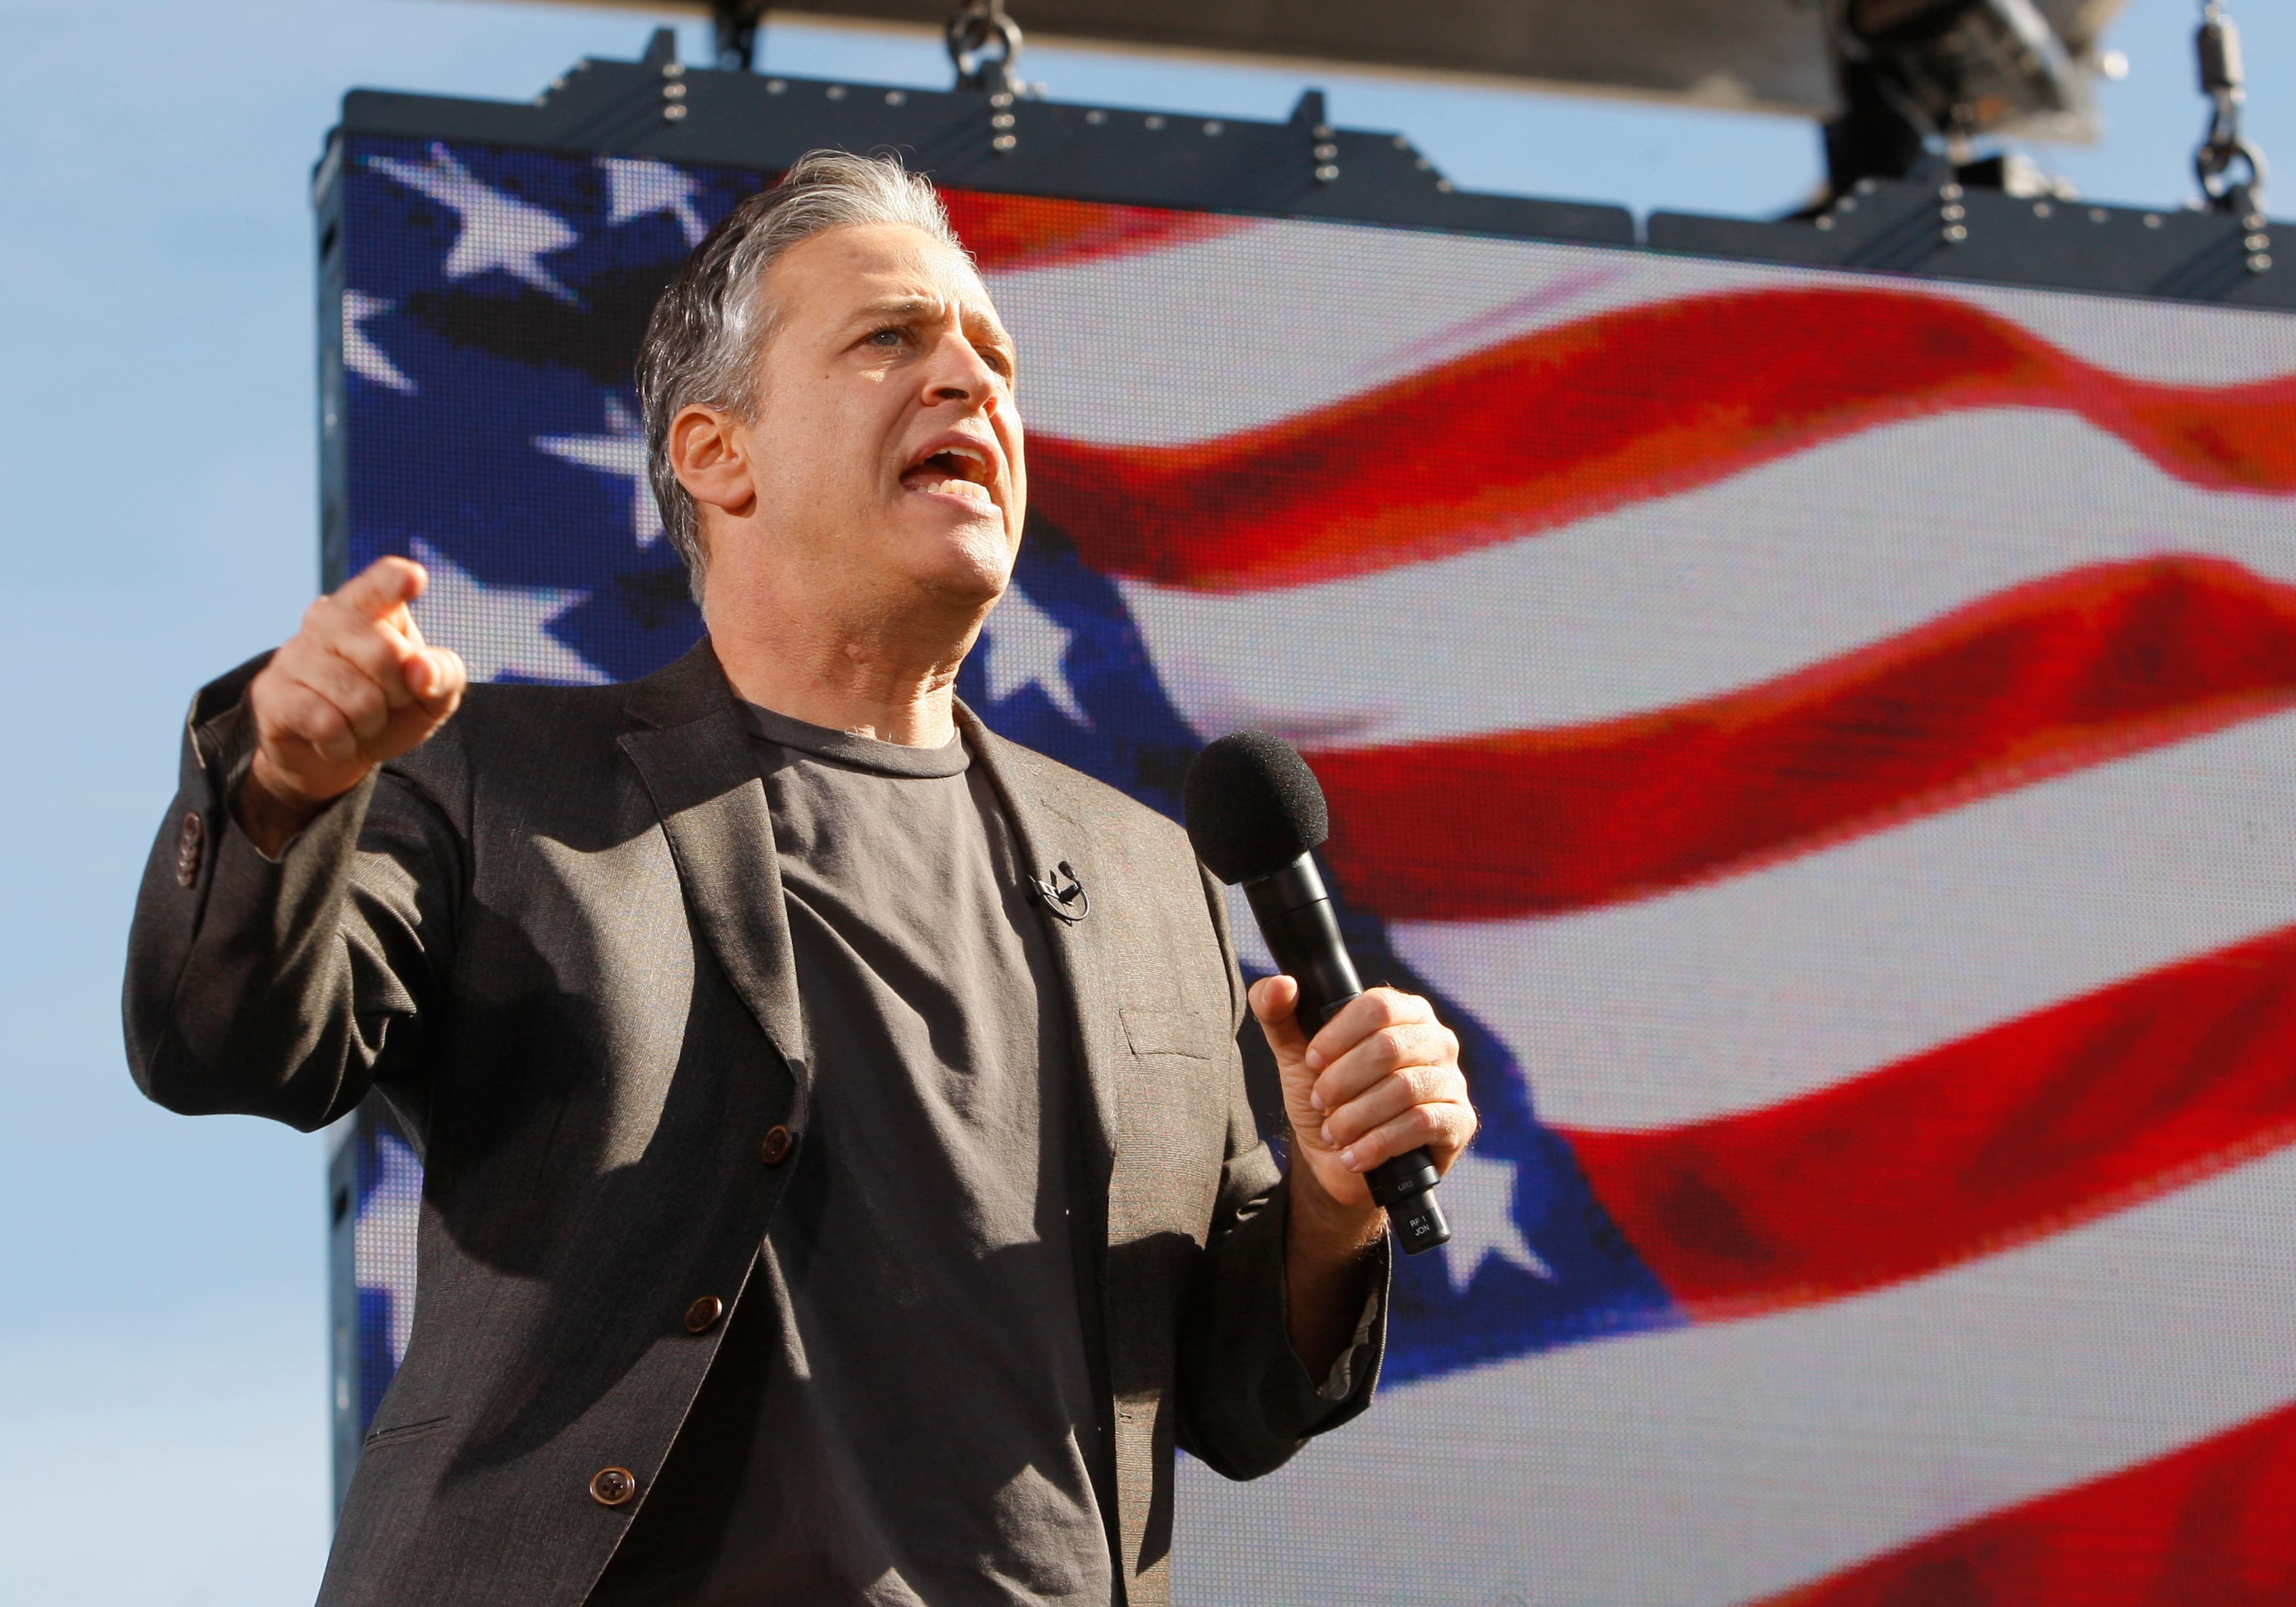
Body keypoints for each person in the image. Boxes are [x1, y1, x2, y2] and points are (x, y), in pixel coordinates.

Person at [123, 150, 1477, 1607]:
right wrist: (284, 789)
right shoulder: (503, 777)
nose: (968, 380)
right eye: (891, 337)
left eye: (991, 355)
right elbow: (224, 1041)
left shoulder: (1149, 874)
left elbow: (1234, 1396)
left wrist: (1332, 1204)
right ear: (718, 452)